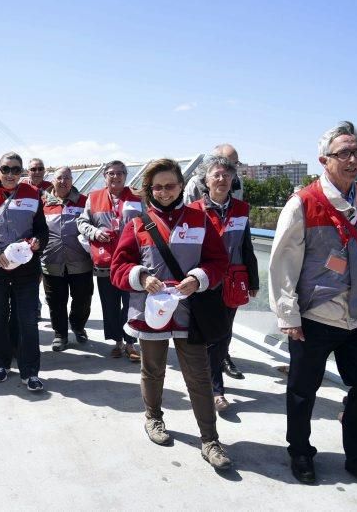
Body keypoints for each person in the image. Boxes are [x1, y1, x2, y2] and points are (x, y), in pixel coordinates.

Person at [269, 121, 357, 497]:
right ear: (324, 160)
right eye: (343, 152)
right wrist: (288, 315)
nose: (352, 159)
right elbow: (282, 264)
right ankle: (301, 452)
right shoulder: (303, 203)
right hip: (315, 316)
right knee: (302, 390)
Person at [111, 158, 232, 470]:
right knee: (153, 370)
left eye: (170, 186)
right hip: (152, 312)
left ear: (181, 186)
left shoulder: (201, 220)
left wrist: (198, 278)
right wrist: (140, 276)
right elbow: (118, 268)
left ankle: (209, 439)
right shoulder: (138, 224)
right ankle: (153, 418)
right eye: (158, 187)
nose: (164, 192)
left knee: (199, 375)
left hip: (189, 314)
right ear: (150, 190)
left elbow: (219, 263)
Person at [0, 152, 49, 390]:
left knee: (27, 321)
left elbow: (42, 231)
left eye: (16, 170)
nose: (11, 174)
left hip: (25, 269)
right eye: (6, 169)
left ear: (22, 172)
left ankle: (31, 371)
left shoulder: (33, 195)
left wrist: (37, 242)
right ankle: (1, 364)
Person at [188, 155, 259, 412]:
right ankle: (214, 388)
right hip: (204, 281)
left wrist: (253, 279)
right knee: (209, 335)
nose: (221, 179)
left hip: (232, 282)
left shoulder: (241, 209)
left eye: (226, 176)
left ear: (233, 180)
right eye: (216, 175)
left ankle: (213, 386)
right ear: (206, 180)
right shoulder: (194, 210)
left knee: (223, 334)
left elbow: (246, 246)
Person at [184, 144, 246, 381]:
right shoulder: (194, 189)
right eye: (219, 171)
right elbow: (186, 223)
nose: (226, 176)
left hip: (232, 273)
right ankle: (208, 378)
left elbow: (242, 235)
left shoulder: (238, 187)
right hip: (204, 271)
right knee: (205, 324)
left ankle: (222, 360)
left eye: (233, 167)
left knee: (226, 324)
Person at [76, 161, 142, 362]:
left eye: (120, 173)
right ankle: (117, 343)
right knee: (110, 304)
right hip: (106, 263)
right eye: (111, 173)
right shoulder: (93, 198)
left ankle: (130, 342)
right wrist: (95, 233)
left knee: (131, 303)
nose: (116, 177)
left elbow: (149, 221)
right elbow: (81, 222)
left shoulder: (138, 198)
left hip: (132, 261)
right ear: (105, 176)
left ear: (126, 175)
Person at [40, 167, 93, 351]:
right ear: (52, 181)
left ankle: (78, 326)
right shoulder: (42, 203)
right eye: (59, 178)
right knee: (56, 301)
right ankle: (60, 334)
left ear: (72, 181)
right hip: (52, 262)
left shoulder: (84, 201)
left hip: (81, 263)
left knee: (83, 299)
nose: (63, 181)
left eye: (67, 178)